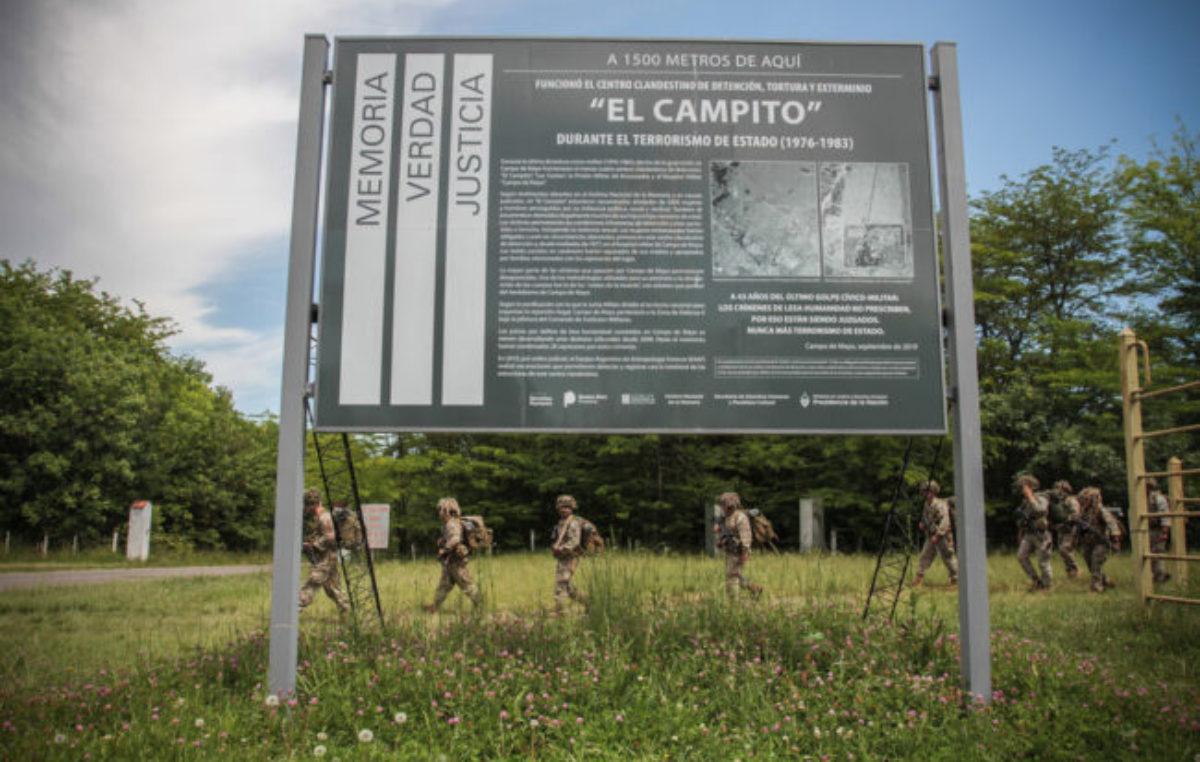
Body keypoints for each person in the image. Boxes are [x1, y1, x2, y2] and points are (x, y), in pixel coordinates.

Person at [299, 487, 350, 615]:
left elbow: (330, 537)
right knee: (333, 589)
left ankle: (290, 614)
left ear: (313, 504)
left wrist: (313, 545)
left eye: (306, 506)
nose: (304, 509)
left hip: (325, 560)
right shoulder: (319, 517)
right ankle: (347, 613)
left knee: (310, 585)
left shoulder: (324, 517)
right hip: (325, 558)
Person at [427, 497, 482, 613]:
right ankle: (435, 606)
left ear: (446, 511)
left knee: (467, 585)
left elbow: (456, 539)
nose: (439, 513)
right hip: (450, 561)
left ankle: (480, 605)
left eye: (440, 510)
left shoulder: (451, 524)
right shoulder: (452, 523)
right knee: (443, 585)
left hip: (456, 562)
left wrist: (445, 548)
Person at [712, 492, 762, 600]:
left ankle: (733, 600)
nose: (722, 507)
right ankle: (754, 589)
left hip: (739, 550)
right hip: (730, 549)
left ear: (729, 505)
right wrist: (718, 527)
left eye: (723, 504)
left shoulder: (740, 517)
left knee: (732, 575)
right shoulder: (726, 517)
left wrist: (744, 553)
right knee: (734, 573)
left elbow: (746, 536)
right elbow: (722, 526)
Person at [911, 480, 958, 587]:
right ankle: (919, 578)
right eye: (924, 491)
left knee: (948, 557)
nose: (925, 494)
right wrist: (922, 523)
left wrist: (938, 535)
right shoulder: (927, 504)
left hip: (943, 535)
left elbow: (945, 522)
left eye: (927, 491)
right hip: (931, 534)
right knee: (925, 555)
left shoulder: (940, 505)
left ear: (933, 492)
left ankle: (955, 579)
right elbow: (925, 517)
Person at [1076, 486, 1122, 593]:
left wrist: (1116, 540)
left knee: (1096, 563)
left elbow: (1112, 525)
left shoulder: (1100, 510)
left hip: (1101, 542)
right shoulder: (1083, 512)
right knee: (1090, 563)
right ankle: (1105, 580)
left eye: (1086, 500)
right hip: (1088, 542)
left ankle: (1096, 588)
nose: (1083, 502)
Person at [549, 494, 590, 614]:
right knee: (566, 585)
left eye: (567, 507)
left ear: (572, 508)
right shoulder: (561, 522)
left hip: (571, 557)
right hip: (562, 557)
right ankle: (589, 601)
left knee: (561, 583)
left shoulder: (573, 523)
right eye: (562, 507)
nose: (564, 509)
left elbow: (574, 542)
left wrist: (560, 549)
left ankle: (559, 610)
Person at [1014, 475, 1053, 592]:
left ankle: (1047, 586)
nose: (1022, 490)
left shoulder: (1042, 498)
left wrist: (1030, 497)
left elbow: (1040, 510)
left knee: (1043, 562)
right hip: (1029, 534)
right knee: (1021, 556)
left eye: (1024, 487)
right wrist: (1020, 532)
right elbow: (1024, 519)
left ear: (1031, 487)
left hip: (1041, 535)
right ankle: (1036, 580)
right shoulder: (1025, 502)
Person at [1049, 480, 1082, 579]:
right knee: (1063, 551)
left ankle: (1076, 569)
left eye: (1059, 489)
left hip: (1071, 528)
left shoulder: (1071, 500)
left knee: (1065, 549)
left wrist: (1066, 522)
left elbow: (1075, 515)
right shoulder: (1057, 502)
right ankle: (1071, 572)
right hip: (1062, 529)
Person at [1145, 478, 1173, 584]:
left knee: (1157, 554)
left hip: (1157, 530)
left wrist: (1165, 532)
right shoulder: (1141, 499)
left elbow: (1165, 516)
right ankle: (1159, 575)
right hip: (1146, 530)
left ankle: (1160, 577)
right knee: (1148, 556)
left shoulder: (1158, 498)